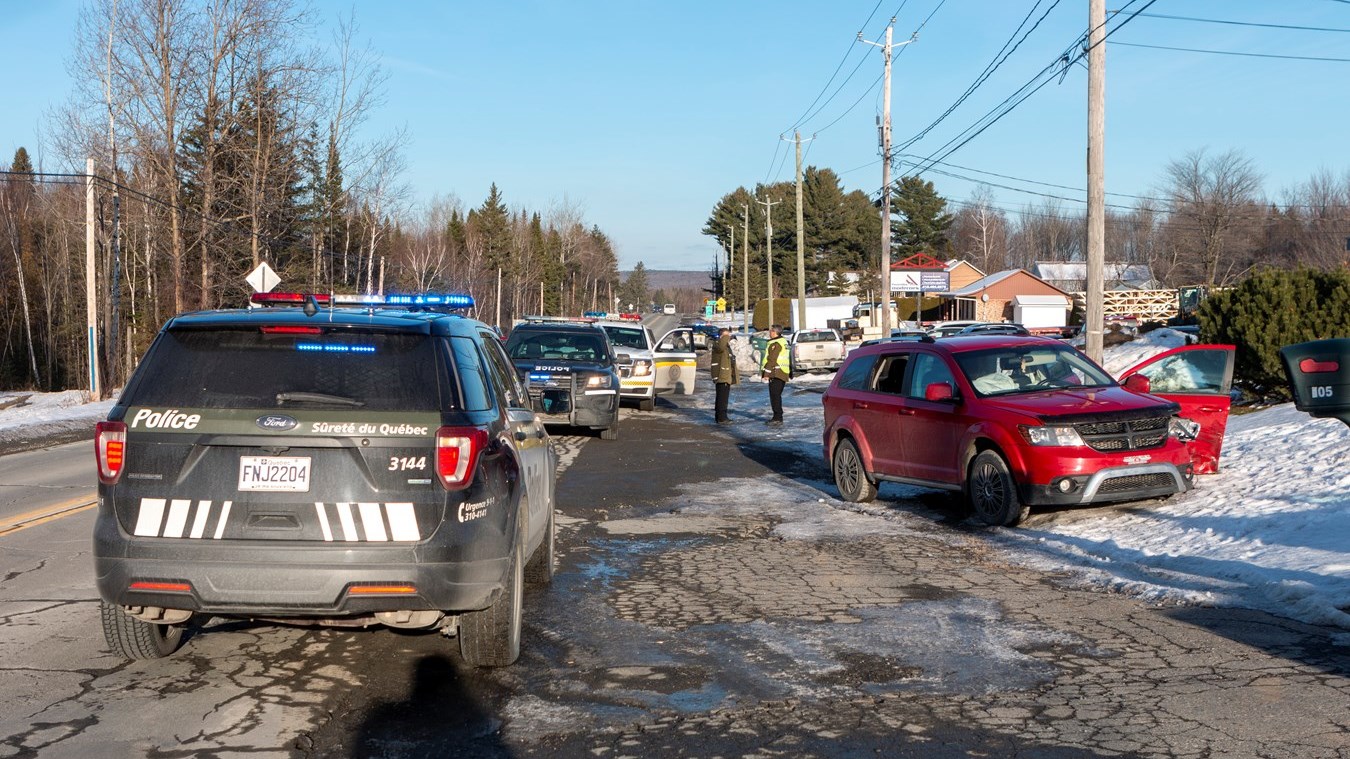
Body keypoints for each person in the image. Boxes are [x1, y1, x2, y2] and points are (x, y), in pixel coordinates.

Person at [760, 324, 790, 425]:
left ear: (775, 332)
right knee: (777, 395)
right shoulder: (783, 341)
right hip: (783, 371)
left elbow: (772, 359)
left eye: (771, 331)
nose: (770, 333)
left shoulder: (776, 344)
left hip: (776, 372)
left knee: (775, 396)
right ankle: (778, 416)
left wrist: (766, 373)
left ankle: (777, 417)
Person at [709, 327, 739, 424]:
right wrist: (725, 337)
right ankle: (722, 418)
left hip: (725, 375)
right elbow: (721, 347)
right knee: (722, 398)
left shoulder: (725, 346)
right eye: (726, 335)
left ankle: (720, 416)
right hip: (721, 375)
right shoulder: (718, 344)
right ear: (722, 335)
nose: (728, 337)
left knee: (722, 397)